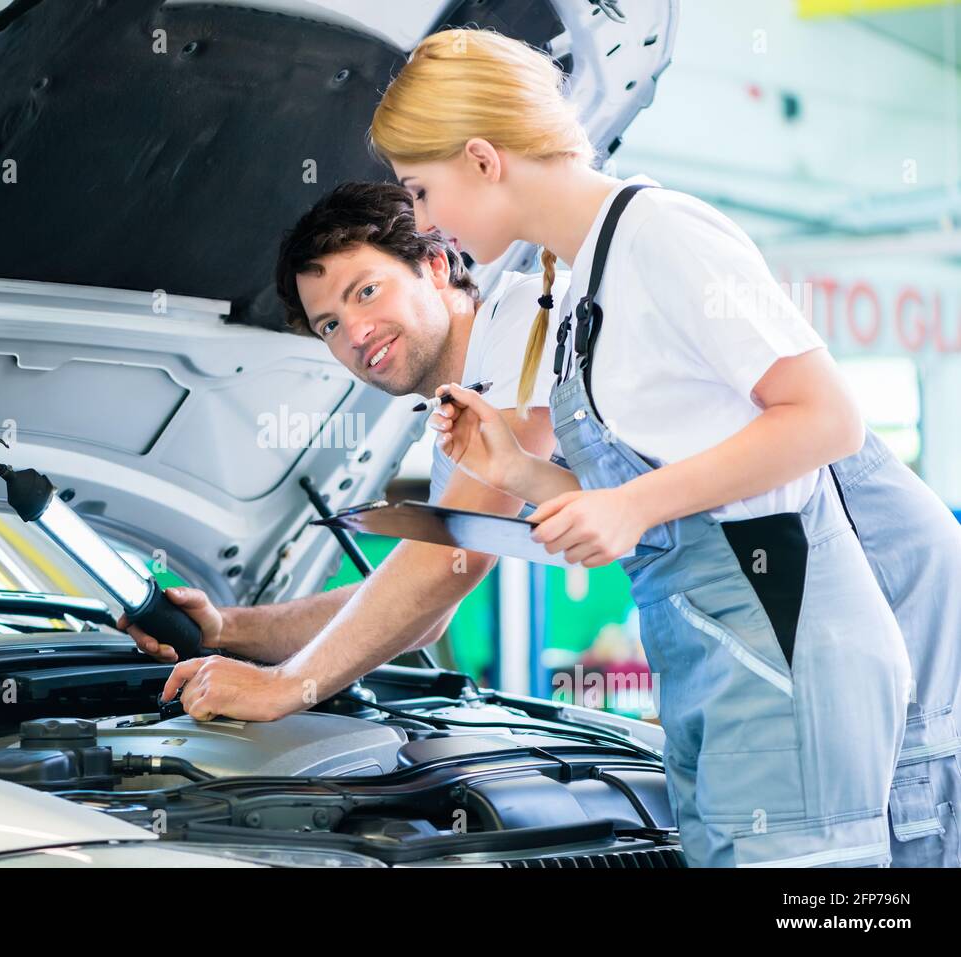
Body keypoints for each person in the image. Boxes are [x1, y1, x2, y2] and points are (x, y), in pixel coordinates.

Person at [371, 28, 915, 867]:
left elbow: (825, 417)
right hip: (707, 653)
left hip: (784, 637)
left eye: (420, 189)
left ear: (481, 157)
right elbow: (662, 495)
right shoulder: (579, 276)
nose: (423, 223)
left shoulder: (661, 233)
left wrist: (628, 503)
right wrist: (516, 471)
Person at [126, 181, 574, 710]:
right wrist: (227, 628)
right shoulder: (458, 426)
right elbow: (422, 616)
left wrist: (285, 686)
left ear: (433, 264)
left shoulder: (529, 313)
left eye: (366, 291)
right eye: (330, 324)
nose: (355, 334)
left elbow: (457, 553)